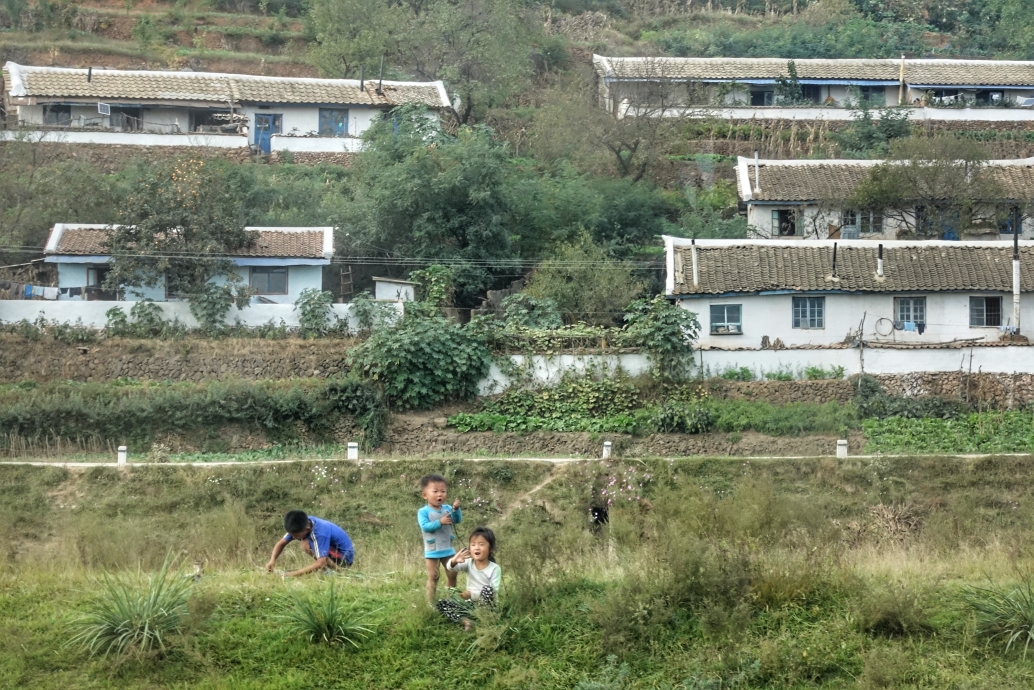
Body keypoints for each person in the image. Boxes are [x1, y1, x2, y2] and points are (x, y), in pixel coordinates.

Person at [438, 527, 501, 631]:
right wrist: (454, 560)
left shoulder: (494, 568)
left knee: (489, 590)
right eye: (473, 544)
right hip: (470, 605)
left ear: (491, 548)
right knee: (442, 603)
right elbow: (450, 567)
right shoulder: (469, 563)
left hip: (486, 607)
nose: (476, 548)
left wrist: (471, 594)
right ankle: (466, 621)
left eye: (481, 544)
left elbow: (494, 592)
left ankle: (486, 619)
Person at [266, 510, 354, 577]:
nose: (294, 537)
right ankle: (329, 570)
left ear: (307, 529)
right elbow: (281, 543)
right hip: (333, 551)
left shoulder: (319, 533)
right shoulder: (304, 523)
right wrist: (272, 560)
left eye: (295, 535)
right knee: (306, 543)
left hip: (344, 557)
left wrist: (291, 574)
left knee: (306, 544)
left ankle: (340, 572)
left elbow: (320, 562)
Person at [418, 473, 462, 603]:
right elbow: (425, 527)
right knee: (433, 576)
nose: (440, 494)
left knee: (452, 573)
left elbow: (457, 520)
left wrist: (457, 509)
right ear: (425, 495)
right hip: (432, 550)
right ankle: (430, 602)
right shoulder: (423, 512)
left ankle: (451, 600)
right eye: (435, 491)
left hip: (447, 548)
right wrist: (440, 522)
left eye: (443, 491)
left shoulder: (448, 508)